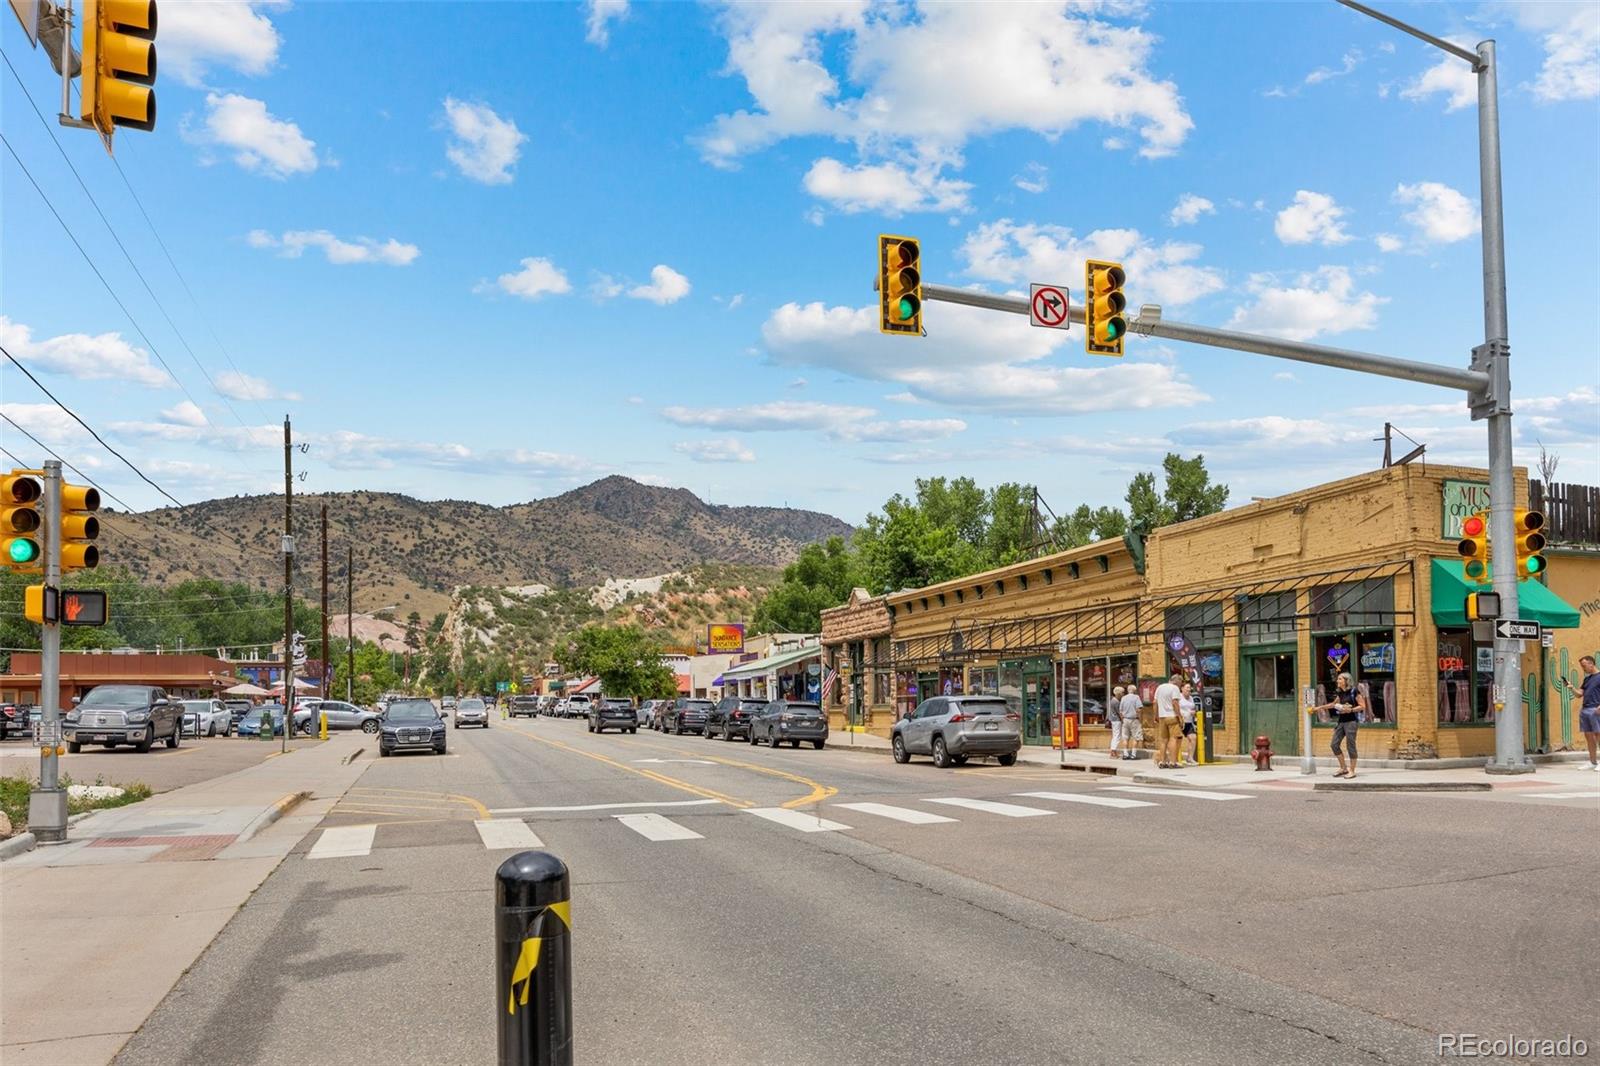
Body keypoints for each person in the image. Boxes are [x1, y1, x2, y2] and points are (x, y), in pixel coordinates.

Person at [1317, 672, 1367, 778]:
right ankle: (1343, 768)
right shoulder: (1340, 693)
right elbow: (1333, 705)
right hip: (1341, 722)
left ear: (1346, 681)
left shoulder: (1354, 691)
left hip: (1351, 722)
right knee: (1334, 744)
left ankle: (1352, 771)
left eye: (1340, 679)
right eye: (1338, 679)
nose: (1337, 681)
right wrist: (1319, 708)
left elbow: (1362, 706)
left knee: (1350, 746)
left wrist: (1351, 710)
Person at [1570, 655, 1600, 771]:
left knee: (1598, 735)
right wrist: (1571, 688)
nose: (1583, 668)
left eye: (1584, 665)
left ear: (1591, 664)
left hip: (1596, 710)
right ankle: (1592, 762)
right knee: (1589, 737)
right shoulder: (1587, 679)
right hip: (1585, 709)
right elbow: (1579, 694)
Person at [1153, 673, 1184, 769]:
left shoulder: (1160, 687)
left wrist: (1156, 716)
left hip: (1162, 717)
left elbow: (1154, 702)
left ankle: (1162, 761)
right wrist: (1179, 716)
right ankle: (1173, 762)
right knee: (1174, 739)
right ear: (1177, 682)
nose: (1180, 686)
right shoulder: (1174, 688)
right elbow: (1175, 702)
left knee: (1163, 740)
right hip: (1172, 716)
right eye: (1180, 684)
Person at [1118, 685, 1144, 761]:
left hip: (1125, 720)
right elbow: (1139, 709)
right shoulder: (1136, 697)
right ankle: (1133, 754)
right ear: (1135, 690)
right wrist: (1140, 718)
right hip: (1134, 719)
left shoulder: (1123, 698)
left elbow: (1120, 711)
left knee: (1125, 737)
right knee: (1136, 737)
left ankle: (1125, 754)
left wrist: (1123, 719)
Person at [1178, 682, 1199, 766]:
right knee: (1177, 740)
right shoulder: (1179, 697)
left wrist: (1194, 712)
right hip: (1180, 722)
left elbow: (1193, 708)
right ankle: (1175, 758)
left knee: (1193, 738)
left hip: (1189, 722)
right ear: (1182, 688)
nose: (1188, 689)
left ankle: (1190, 758)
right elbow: (1176, 707)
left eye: (1189, 688)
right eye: (1187, 687)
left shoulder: (1191, 698)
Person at [1108, 685, 1125, 758]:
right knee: (1117, 736)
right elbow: (1119, 712)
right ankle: (1113, 751)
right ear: (1119, 693)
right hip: (1116, 720)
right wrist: (1123, 720)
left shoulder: (1113, 700)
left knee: (1115, 735)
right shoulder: (1116, 702)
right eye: (1122, 692)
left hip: (1113, 720)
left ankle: (1113, 751)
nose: (1123, 694)